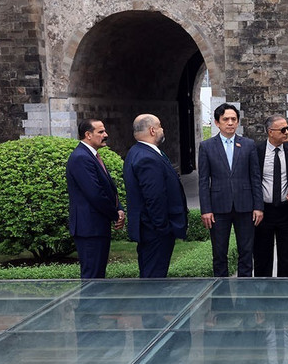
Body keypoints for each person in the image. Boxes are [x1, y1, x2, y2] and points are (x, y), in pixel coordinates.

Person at [197, 103, 263, 277]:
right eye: (226, 119)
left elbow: (255, 178)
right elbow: (203, 181)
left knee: (246, 253)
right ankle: (221, 291)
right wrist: (206, 209)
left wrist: (258, 206)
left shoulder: (248, 145)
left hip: (245, 206)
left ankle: (244, 291)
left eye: (234, 119)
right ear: (217, 123)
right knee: (219, 254)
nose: (230, 123)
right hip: (218, 208)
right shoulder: (207, 146)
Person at [123, 114, 188, 278]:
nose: (162, 129)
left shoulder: (138, 151)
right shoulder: (146, 157)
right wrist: (163, 228)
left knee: (152, 275)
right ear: (152, 130)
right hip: (155, 232)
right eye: (160, 126)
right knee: (154, 279)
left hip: (150, 230)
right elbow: (154, 197)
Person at [65, 118, 125, 279]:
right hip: (89, 228)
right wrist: (115, 215)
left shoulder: (90, 155)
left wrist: (120, 209)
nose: (106, 135)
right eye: (101, 132)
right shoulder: (81, 157)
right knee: (92, 277)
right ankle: (87, 305)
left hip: (96, 227)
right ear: (88, 135)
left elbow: (108, 188)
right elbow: (95, 193)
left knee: (97, 276)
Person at [254, 115, 288, 277]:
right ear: (270, 132)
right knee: (262, 258)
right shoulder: (257, 151)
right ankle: (262, 292)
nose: (286, 132)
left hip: (287, 211)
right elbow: (252, 180)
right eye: (282, 130)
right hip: (264, 212)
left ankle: (285, 294)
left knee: (287, 258)